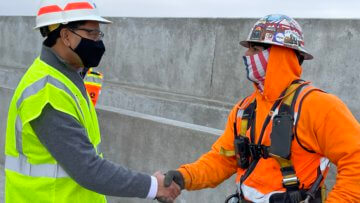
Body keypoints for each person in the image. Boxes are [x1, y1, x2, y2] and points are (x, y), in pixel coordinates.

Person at [163, 14, 360, 202]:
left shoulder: (319, 106)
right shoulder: (245, 108)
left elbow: (356, 161)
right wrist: (184, 177)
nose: (246, 55)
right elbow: (222, 159)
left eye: (255, 49)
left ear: (280, 54)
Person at [4, 0, 180, 202]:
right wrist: (153, 186)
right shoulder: (47, 95)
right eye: (91, 34)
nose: (98, 42)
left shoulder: (67, 77)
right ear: (66, 36)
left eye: (99, 34)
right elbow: (87, 168)